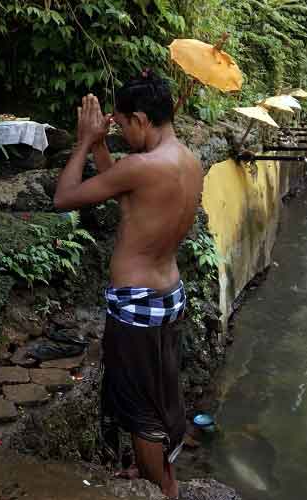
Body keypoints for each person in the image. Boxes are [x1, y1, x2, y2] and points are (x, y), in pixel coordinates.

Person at [54, 71, 203, 499]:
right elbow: (128, 198)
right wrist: (103, 147)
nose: (117, 130)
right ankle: (156, 473)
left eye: (121, 124)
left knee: (141, 412)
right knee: (161, 395)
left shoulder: (140, 167)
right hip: (168, 295)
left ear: (141, 118)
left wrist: (84, 141)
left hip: (136, 304)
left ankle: (165, 490)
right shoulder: (188, 162)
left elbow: (64, 197)